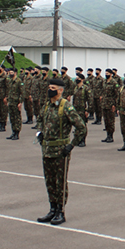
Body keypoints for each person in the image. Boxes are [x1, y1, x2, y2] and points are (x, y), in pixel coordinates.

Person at [35, 78, 87, 226]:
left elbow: (81, 127)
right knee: (49, 181)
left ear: (60, 90)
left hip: (60, 151)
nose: (49, 89)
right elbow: (39, 120)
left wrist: (71, 145)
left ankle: (60, 211)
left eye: (53, 87)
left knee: (60, 183)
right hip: (47, 149)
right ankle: (52, 209)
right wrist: (40, 132)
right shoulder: (47, 106)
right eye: (49, 87)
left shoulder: (66, 107)